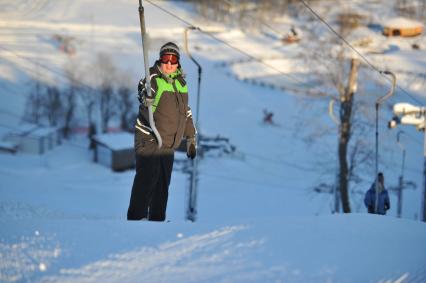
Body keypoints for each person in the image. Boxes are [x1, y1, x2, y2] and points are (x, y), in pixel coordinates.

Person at [127, 42, 197, 221]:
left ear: (178, 62)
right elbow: (144, 89)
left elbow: (186, 112)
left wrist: (190, 138)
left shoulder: (181, 84)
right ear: (160, 59)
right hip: (149, 138)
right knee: (147, 180)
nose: (169, 63)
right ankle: (136, 220)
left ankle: (157, 222)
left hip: (167, 143)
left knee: (162, 186)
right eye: (166, 58)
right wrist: (145, 95)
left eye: (173, 59)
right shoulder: (153, 78)